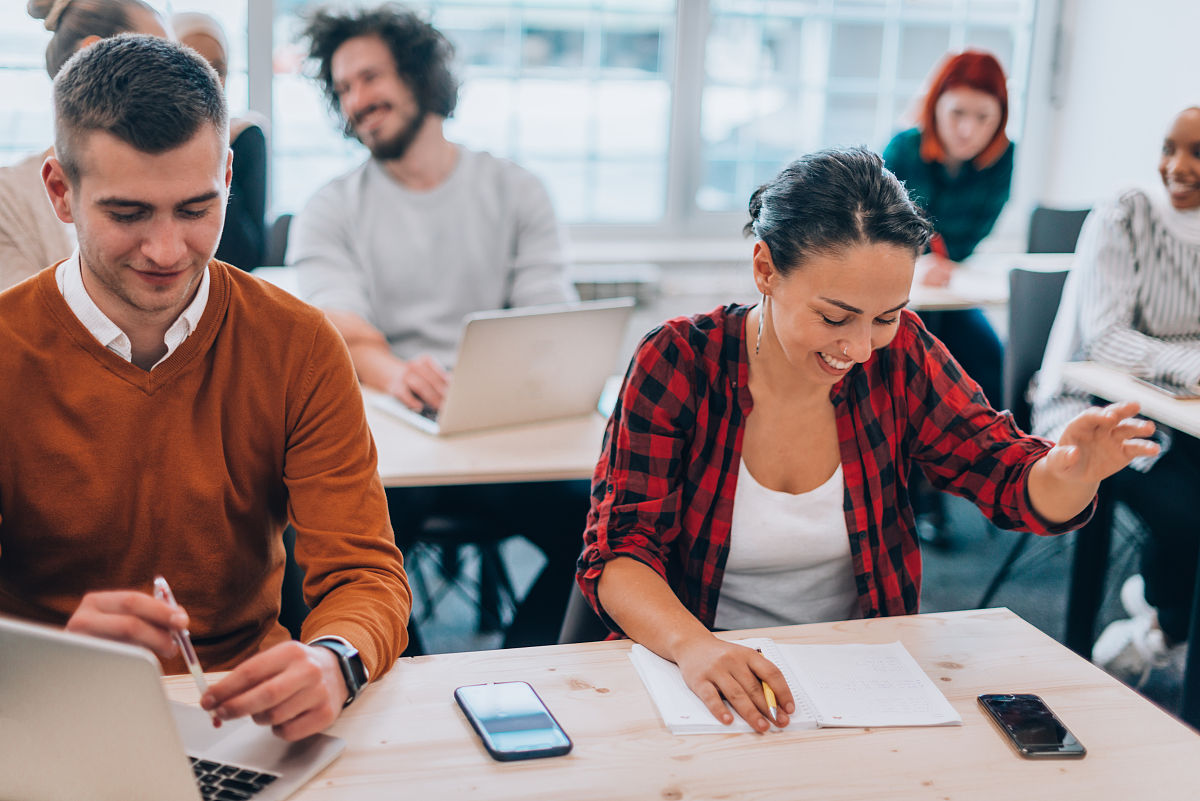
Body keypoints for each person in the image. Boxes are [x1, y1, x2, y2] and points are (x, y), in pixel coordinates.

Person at [577, 147, 1159, 734]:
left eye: (887, 316)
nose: (859, 348)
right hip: (699, 665)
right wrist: (692, 645)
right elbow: (620, 551)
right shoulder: (678, 361)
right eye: (836, 318)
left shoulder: (902, 355)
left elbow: (1004, 476)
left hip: (855, 678)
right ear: (765, 269)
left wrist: (1071, 471)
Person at [0, 35, 411, 741]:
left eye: (196, 208)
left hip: (252, 719)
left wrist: (332, 660)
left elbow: (365, 573)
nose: (167, 251)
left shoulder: (298, 343)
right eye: (128, 214)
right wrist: (53, 656)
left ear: (227, 174)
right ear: (60, 192)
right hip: (39, 714)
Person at [290, 5, 585, 650]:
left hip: (506, 432)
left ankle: (527, 663)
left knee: (610, 531)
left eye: (370, 78)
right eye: (343, 89)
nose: (358, 101)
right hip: (393, 437)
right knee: (326, 554)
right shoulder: (329, 208)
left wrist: (497, 381)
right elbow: (336, 325)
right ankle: (402, 672)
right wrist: (396, 373)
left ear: (420, 77)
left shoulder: (517, 190)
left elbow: (547, 317)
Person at [1032, 106, 1200, 688]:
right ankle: (1163, 622)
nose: (1177, 167)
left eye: (1197, 153)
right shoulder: (1125, 213)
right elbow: (1104, 338)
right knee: (1193, 515)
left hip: (1179, 415)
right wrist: (1190, 363)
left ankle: (1162, 620)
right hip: (1093, 409)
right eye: (1170, 147)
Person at [0, 0, 168, 292]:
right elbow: (19, 326)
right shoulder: (10, 200)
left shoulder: (175, 186)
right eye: (159, 62)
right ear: (94, 57)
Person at [882, 50, 1012, 407]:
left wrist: (939, 261)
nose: (968, 130)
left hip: (948, 291)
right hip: (894, 290)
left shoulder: (1004, 159)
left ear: (1000, 119)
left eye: (983, 117)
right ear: (935, 106)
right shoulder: (902, 149)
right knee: (906, 370)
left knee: (991, 363)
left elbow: (971, 236)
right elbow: (877, 231)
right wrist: (915, 262)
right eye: (957, 113)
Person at [173, 11, 269, 270]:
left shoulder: (245, 136)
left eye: (219, 68)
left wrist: (213, 148)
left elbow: (248, 255)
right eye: (194, 65)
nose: (210, 80)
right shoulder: (147, 140)